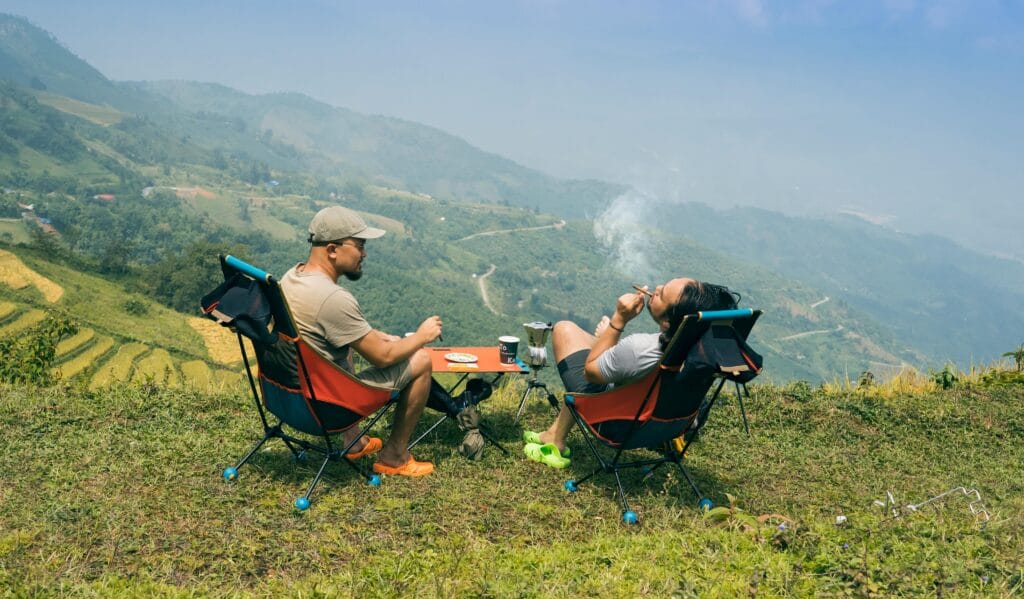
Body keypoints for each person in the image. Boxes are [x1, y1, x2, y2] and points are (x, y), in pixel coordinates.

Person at [280, 206, 441, 477]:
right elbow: (384, 358)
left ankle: (353, 441)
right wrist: (423, 335)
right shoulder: (333, 298)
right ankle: (395, 456)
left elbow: (333, 328)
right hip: (325, 409)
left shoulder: (292, 277)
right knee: (422, 359)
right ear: (332, 249)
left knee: (345, 345)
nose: (364, 253)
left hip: (290, 398)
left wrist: (374, 334)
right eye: (360, 245)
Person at [522, 277, 740, 467]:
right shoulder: (702, 349)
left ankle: (554, 441)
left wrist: (617, 321)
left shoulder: (640, 348)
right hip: (670, 424)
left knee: (564, 329)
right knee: (600, 350)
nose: (656, 288)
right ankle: (553, 434)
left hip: (619, 425)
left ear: (667, 323)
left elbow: (591, 373)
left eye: (662, 294)